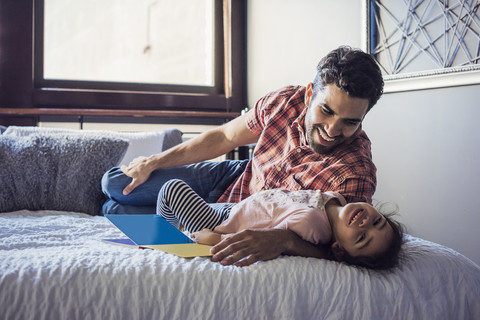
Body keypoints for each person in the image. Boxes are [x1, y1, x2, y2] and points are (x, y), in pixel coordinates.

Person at [101, 45, 384, 267]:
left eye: (350, 122)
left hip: (234, 217)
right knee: (114, 184)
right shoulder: (285, 101)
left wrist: (284, 240)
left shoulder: (355, 173)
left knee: (113, 210)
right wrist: (154, 161)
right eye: (327, 111)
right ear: (310, 94)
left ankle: (120, 213)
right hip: (235, 177)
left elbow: (340, 249)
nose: (333, 130)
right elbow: (226, 137)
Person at [157, 179, 404, 270]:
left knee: (171, 190)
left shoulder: (312, 226)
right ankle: (173, 230)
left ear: (339, 249)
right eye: (377, 222)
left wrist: (217, 240)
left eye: (362, 238)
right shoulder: (336, 199)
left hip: (224, 223)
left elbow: (261, 238)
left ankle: (163, 236)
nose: (365, 223)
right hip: (234, 208)